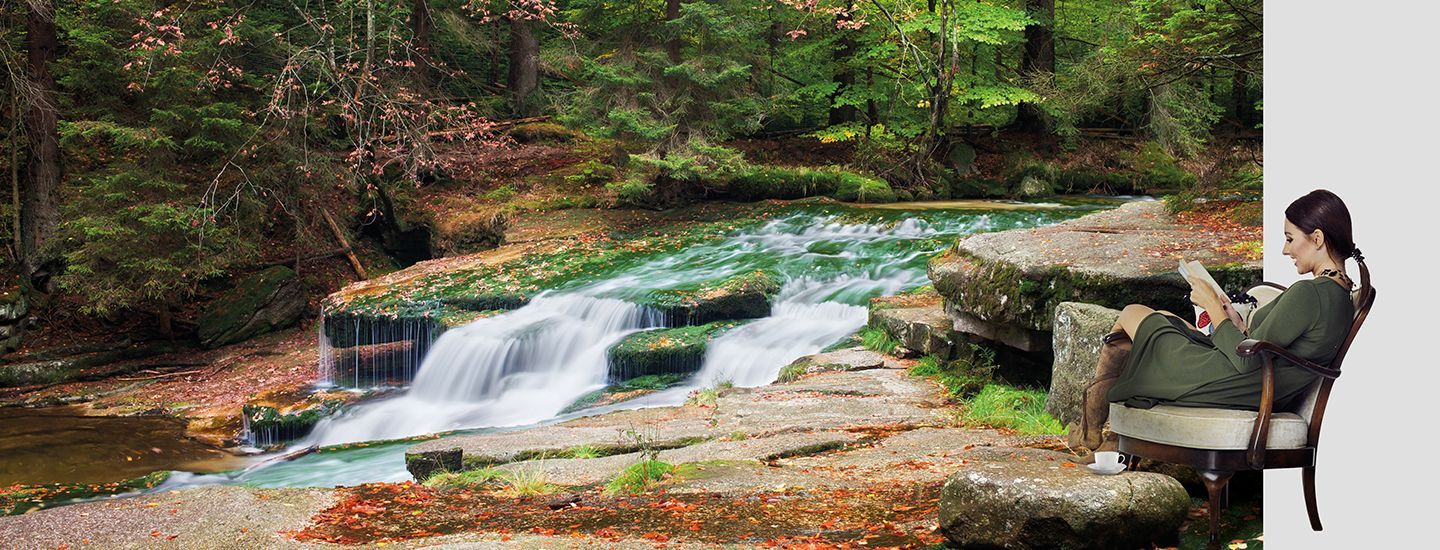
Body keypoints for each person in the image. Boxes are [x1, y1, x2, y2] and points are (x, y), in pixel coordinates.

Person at [1069, 189, 1363, 451]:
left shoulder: (1310, 294)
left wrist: (1213, 305)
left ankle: (1091, 432)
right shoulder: (1338, 295)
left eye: (1289, 239)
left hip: (1232, 381)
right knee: (1162, 318)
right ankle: (1098, 434)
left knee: (1133, 313)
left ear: (1318, 238)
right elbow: (1269, 345)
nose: (1285, 250)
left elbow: (1247, 359)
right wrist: (1234, 320)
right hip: (1250, 381)